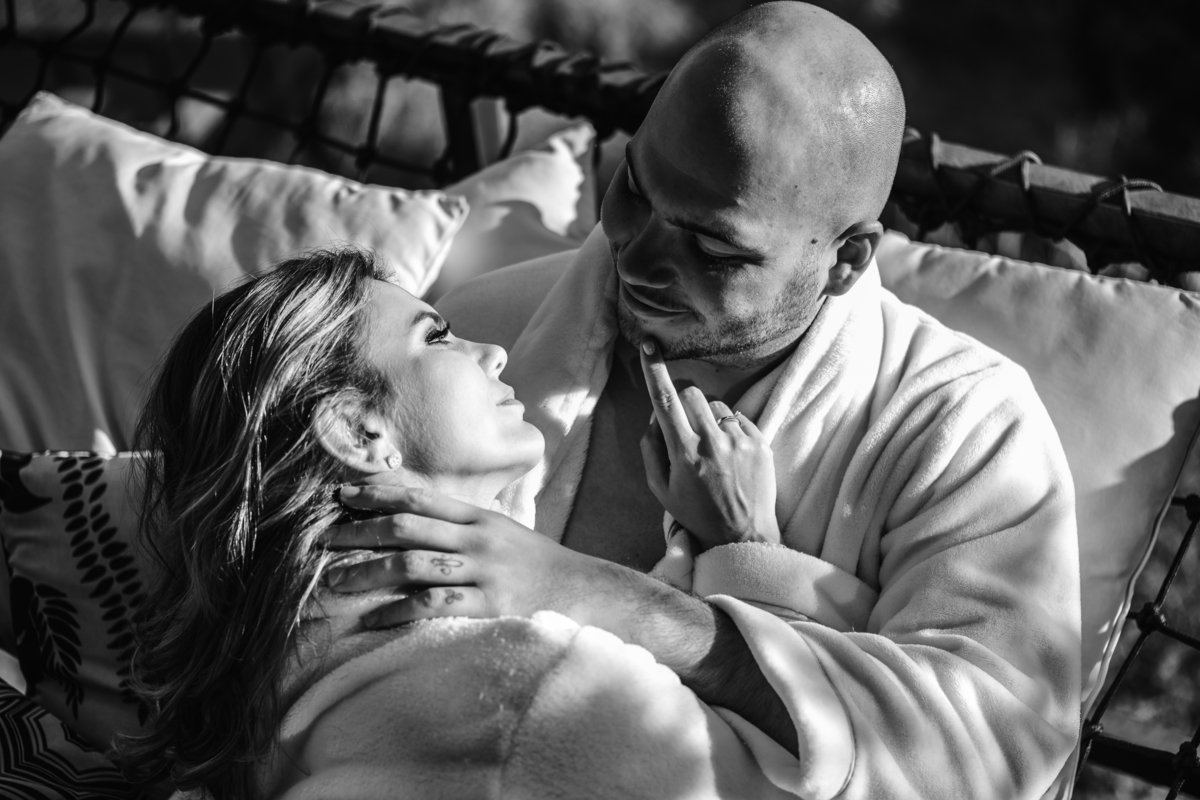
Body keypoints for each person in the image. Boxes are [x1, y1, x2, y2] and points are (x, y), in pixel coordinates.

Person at [325, 3, 1083, 799]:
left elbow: (983, 759)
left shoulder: (963, 428)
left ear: (847, 259)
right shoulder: (483, 332)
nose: (637, 259)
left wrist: (608, 593)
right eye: (633, 187)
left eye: (714, 246)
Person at [120, 247, 798, 800]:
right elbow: (823, 775)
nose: (495, 351)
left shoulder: (267, 690)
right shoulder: (531, 697)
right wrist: (746, 548)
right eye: (436, 336)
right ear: (357, 431)